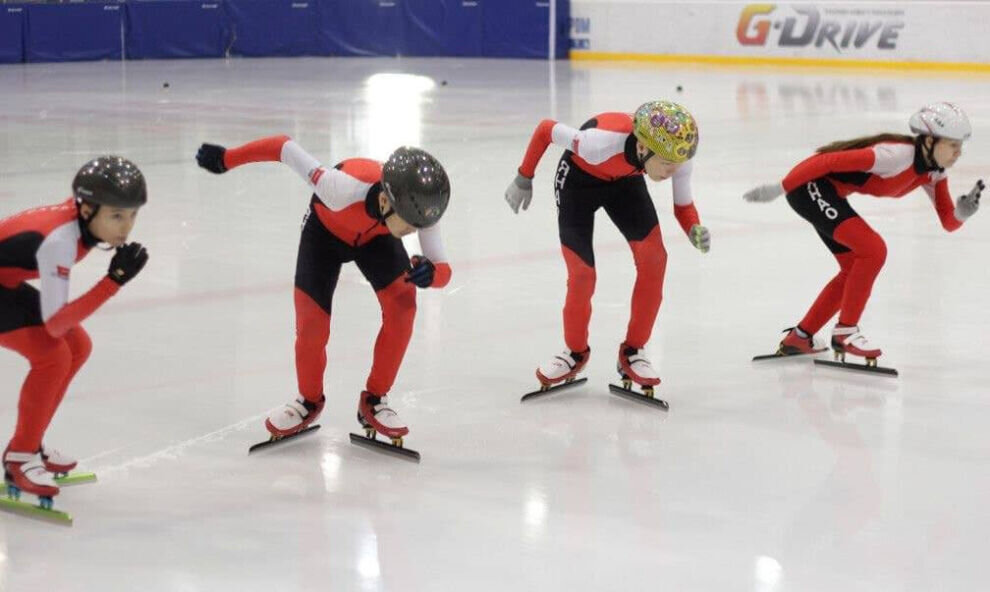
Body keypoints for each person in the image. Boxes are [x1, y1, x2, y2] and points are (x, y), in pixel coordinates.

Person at [196, 136, 451, 444]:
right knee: (311, 324)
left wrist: (431, 275)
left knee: (403, 307)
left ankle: (374, 399)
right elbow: (284, 148)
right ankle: (308, 400)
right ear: (385, 201)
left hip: (376, 242)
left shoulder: (420, 207)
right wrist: (228, 158)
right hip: (324, 235)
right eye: (409, 225)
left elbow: (444, 271)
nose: (415, 232)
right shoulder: (339, 186)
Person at [744, 102, 981, 365]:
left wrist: (963, 212)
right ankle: (846, 332)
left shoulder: (934, 172)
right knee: (873, 250)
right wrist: (779, 188)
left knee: (853, 269)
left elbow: (948, 221)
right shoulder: (893, 155)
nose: (958, 153)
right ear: (928, 140)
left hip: (828, 194)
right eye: (952, 145)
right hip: (808, 187)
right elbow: (826, 161)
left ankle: (800, 338)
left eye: (961, 147)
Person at [504, 100, 709, 391]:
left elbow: (683, 206)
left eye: (677, 164)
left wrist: (694, 228)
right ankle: (574, 352)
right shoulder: (596, 143)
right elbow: (545, 129)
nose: (672, 171)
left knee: (655, 260)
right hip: (579, 182)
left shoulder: (676, 151)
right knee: (582, 274)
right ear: (642, 147)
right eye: (665, 164)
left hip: (625, 183)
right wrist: (524, 176)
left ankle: (633, 351)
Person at [1, 156, 149, 502]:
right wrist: (112, 282)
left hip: (4, 284)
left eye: (132, 215)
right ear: (86, 210)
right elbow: (54, 326)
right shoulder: (60, 241)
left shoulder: (76, 224)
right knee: (52, 356)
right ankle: (21, 458)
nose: (126, 228)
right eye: (116, 215)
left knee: (78, 347)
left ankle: (30, 441)